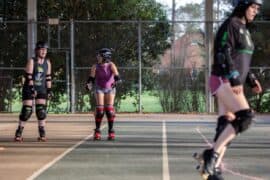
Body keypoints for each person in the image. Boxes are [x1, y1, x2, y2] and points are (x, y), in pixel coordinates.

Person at [201, 0, 263, 179]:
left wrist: (250, 80)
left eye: (258, 8)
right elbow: (223, 52)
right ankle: (211, 154)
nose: (255, 11)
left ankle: (215, 168)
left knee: (227, 123)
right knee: (245, 117)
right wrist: (234, 77)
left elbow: (240, 59)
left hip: (233, 80)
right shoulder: (231, 24)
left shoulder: (245, 29)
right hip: (223, 78)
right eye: (253, 7)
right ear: (243, 6)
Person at [14, 41, 52, 142]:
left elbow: (48, 78)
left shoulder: (47, 62)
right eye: (42, 49)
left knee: (41, 111)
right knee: (27, 111)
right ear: (37, 50)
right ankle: (19, 132)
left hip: (41, 88)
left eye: (45, 50)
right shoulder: (32, 61)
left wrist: (49, 90)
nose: (44, 51)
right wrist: (32, 89)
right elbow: (28, 76)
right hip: (29, 88)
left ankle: (42, 133)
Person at [86, 48, 121, 140]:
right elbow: (91, 78)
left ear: (105, 57)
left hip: (110, 89)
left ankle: (111, 131)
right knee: (100, 110)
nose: (98, 57)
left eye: (100, 56)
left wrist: (116, 81)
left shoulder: (111, 65)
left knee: (109, 111)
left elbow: (117, 75)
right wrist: (88, 85)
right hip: (99, 88)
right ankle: (97, 131)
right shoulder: (95, 66)